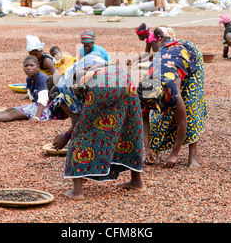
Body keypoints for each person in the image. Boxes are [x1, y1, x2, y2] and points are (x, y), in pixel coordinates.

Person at [50, 55, 145, 200]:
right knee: (129, 129)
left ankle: (76, 192)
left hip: (101, 83)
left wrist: (66, 137)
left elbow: (78, 122)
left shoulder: (61, 92)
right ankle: (137, 182)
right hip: (124, 76)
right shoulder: (79, 66)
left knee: (82, 135)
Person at [138, 40, 207, 168]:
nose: (152, 109)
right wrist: (146, 149)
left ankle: (192, 156)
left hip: (190, 54)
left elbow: (182, 122)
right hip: (167, 54)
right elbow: (145, 121)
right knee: (157, 118)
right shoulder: (144, 91)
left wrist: (174, 154)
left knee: (191, 107)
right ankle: (153, 152)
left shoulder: (171, 89)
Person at [0, 56, 51, 124]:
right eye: (26, 66)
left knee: (14, 113)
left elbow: (43, 100)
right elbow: (33, 99)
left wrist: (36, 117)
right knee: (10, 109)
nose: (28, 68)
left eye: (31, 66)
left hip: (49, 109)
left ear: (37, 67)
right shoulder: (29, 79)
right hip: (39, 106)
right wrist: (30, 109)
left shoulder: (42, 78)